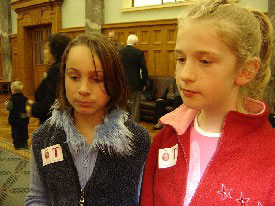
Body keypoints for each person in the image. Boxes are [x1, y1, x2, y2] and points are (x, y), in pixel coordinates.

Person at [141, 0, 275, 205]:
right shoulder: (165, 139)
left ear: (245, 70)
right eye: (181, 59)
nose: (185, 75)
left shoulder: (269, 155)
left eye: (205, 61)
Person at [24, 32, 151, 205]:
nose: (83, 89)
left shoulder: (139, 141)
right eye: (74, 77)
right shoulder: (43, 138)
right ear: (63, 77)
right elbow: (36, 197)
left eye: (97, 78)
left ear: (114, 81)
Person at [28, 33, 71, 125]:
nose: (44, 52)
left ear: (55, 50)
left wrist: (30, 107)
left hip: (53, 124)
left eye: (46, 48)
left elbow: (51, 104)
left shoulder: (56, 70)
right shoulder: (62, 66)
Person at [120, 34, 148, 123]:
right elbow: (144, 69)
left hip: (122, 84)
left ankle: (123, 124)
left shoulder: (119, 52)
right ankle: (134, 126)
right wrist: (144, 83)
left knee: (123, 105)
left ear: (127, 42)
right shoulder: (139, 53)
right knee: (135, 106)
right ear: (136, 43)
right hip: (136, 84)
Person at [5, 81, 29, 150]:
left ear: (14, 91)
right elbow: (28, 107)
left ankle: (17, 145)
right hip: (24, 117)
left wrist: (6, 105)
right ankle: (24, 143)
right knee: (24, 130)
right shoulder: (25, 98)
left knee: (15, 132)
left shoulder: (12, 99)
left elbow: (9, 107)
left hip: (14, 118)